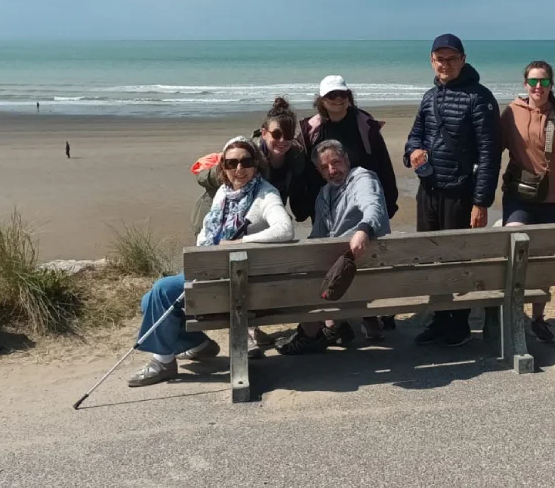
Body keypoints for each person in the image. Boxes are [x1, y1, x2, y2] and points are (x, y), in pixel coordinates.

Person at [128, 137, 294, 387]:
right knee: (149, 300)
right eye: (232, 163)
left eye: (246, 161)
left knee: (161, 291)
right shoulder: (223, 194)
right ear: (223, 167)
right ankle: (197, 344)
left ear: (256, 164)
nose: (239, 168)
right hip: (214, 274)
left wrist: (239, 242)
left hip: (238, 285)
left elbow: (285, 229)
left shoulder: (265, 194)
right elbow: (207, 233)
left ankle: (163, 362)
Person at [405, 33, 501, 347]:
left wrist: (481, 202)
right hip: (428, 191)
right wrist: (412, 153)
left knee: (457, 260)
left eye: (451, 59)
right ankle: (439, 318)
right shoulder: (429, 97)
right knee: (431, 258)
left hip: (461, 193)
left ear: (463, 60)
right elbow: (415, 135)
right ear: (431, 61)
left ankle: (459, 324)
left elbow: (489, 154)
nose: (445, 65)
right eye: (439, 59)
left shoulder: (480, 98)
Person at [276, 139, 391, 354]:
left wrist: (364, 230)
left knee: (302, 282)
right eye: (324, 167)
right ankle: (336, 325)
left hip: (362, 271)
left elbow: (373, 206)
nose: (332, 170)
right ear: (319, 172)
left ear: (346, 159)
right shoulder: (324, 195)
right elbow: (316, 236)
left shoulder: (363, 179)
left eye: (336, 162)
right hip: (350, 273)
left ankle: (310, 335)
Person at [500, 61, 555, 343]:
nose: (539, 87)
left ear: (551, 84)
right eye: (534, 81)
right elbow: (490, 147)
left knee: (543, 259)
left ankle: (538, 319)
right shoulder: (511, 112)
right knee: (513, 245)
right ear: (525, 84)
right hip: (519, 194)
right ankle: (510, 313)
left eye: (545, 81)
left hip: (554, 197)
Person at [193, 98, 310, 234]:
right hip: (215, 213)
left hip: (255, 214)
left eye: (288, 135)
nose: (282, 140)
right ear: (264, 133)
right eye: (276, 134)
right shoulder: (247, 155)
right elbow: (203, 178)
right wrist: (224, 172)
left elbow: (294, 192)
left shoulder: (296, 158)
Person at [301, 75, 399, 221]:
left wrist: (389, 204)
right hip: (326, 208)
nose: (338, 99)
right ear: (322, 100)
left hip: (363, 204)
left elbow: (384, 165)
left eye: (343, 94)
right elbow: (304, 172)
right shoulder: (311, 129)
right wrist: (304, 208)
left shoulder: (365, 125)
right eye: (332, 95)